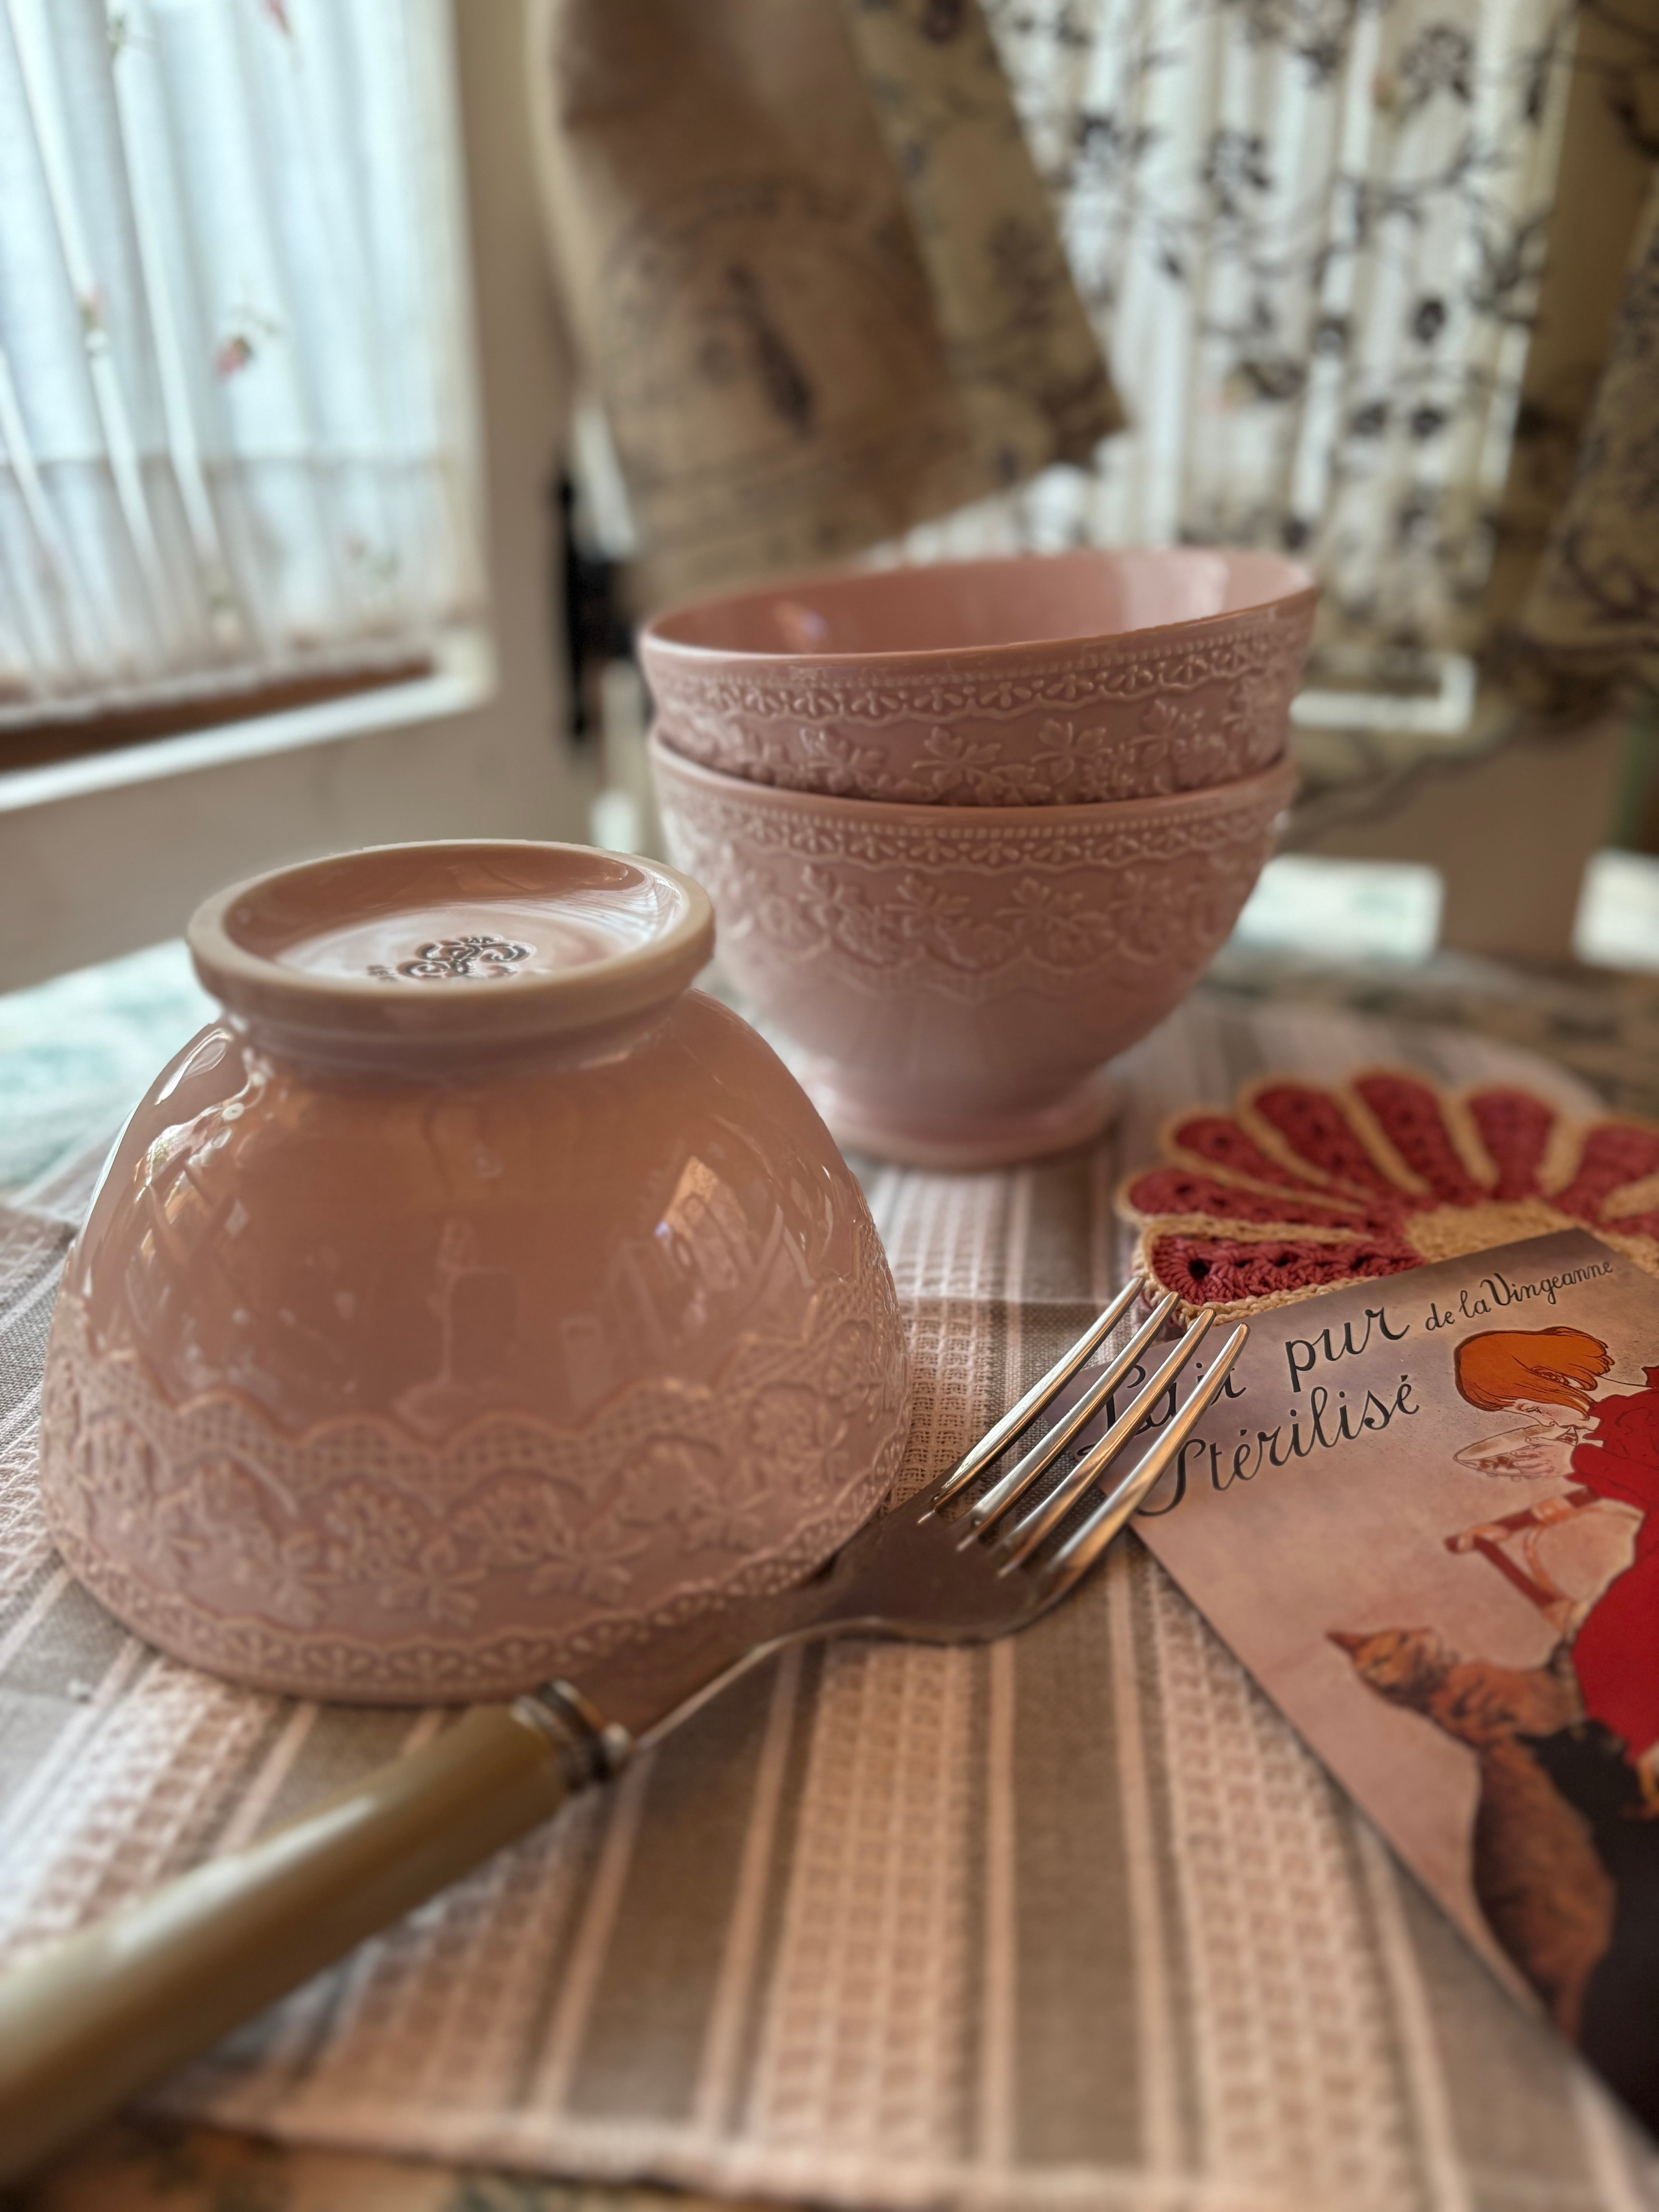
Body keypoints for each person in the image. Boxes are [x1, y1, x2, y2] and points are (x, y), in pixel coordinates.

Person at [1455, 1327, 1659, 1781]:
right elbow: (1632, 1486)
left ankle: (1630, 1767)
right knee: (1600, 1649)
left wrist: (1580, 1461)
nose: (1541, 1420)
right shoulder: (1617, 1420)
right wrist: (1578, 1459)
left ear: (1554, 1378)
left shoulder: (1645, 1411)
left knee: (1613, 1643)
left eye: (1530, 1407)